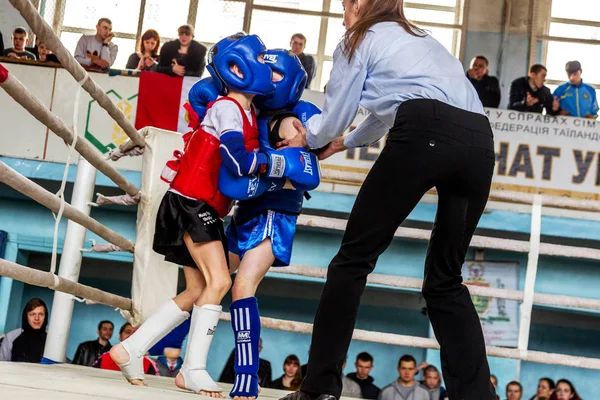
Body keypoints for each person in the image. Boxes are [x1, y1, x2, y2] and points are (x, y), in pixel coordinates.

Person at [277, 0, 496, 399]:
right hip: (480, 142)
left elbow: (336, 114)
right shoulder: (421, 38)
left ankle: (320, 389)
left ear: (359, 3)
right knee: (446, 281)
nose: (343, 12)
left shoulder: (355, 39)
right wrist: (345, 143)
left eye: (344, 4)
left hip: (424, 134)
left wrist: (310, 137)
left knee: (352, 261)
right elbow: (385, 111)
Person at [109, 33, 276, 398]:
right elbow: (236, 158)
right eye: (261, 59)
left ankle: (129, 350)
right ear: (238, 67)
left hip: (201, 205)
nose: (266, 66)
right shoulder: (229, 108)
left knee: (198, 290)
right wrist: (270, 163)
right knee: (220, 282)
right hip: (191, 203)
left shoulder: (248, 111)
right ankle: (193, 368)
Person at [188, 46, 321, 400]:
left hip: (274, 213)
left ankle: (247, 376)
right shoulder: (247, 109)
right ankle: (174, 358)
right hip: (245, 209)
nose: (269, 78)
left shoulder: (293, 120)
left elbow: (308, 170)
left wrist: (275, 163)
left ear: (291, 83)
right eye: (267, 70)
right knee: (206, 284)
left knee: (242, 285)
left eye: (277, 74)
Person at [93, 322, 157, 375]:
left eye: (136, 333)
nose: (132, 336)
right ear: (120, 336)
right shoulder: (105, 357)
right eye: (128, 332)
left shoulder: (148, 363)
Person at [0, 298, 48, 362]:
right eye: (32, 314)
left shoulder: (52, 339)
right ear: (26, 316)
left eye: (41, 314)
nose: (37, 318)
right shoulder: (11, 337)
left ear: (46, 316)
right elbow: (2, 365)